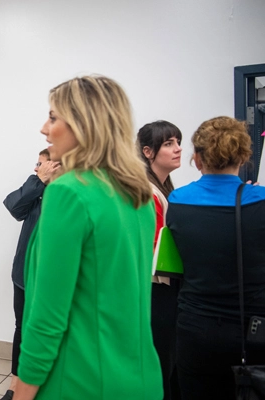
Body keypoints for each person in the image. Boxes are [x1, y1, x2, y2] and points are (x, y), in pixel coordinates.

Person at [14, 76, 163, 400]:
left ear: (84, 124)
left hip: (81, 379)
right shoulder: (138, 194)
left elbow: (47, 317)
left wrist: (22, 392)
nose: (44, 128)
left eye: (53, 117)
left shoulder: (68, 192)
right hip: (139, 376)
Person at [167, 116, 265, 399]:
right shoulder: (260, 202)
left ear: (197, 159)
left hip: (196, 329)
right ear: (243, 157)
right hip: (253, 330)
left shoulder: (178, 202)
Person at [2, 149, 60, 400]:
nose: (37, 168)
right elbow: (14, 206)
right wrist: (39, 181)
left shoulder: (66, 194)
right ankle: (15, 384)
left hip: (50, 279)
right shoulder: (36, 188)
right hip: (24, 275)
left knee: (46, 330)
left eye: (42, 164)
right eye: (37, 163)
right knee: (22, 327)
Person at [137, 120, 183, 400]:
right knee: (161, 361)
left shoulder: (165, 188)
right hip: (155, 288)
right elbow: (152, 248)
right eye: (168, 144)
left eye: (178, 142)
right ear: (148, 152)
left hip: (165, 286)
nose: (178, 149)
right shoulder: (148, 191)